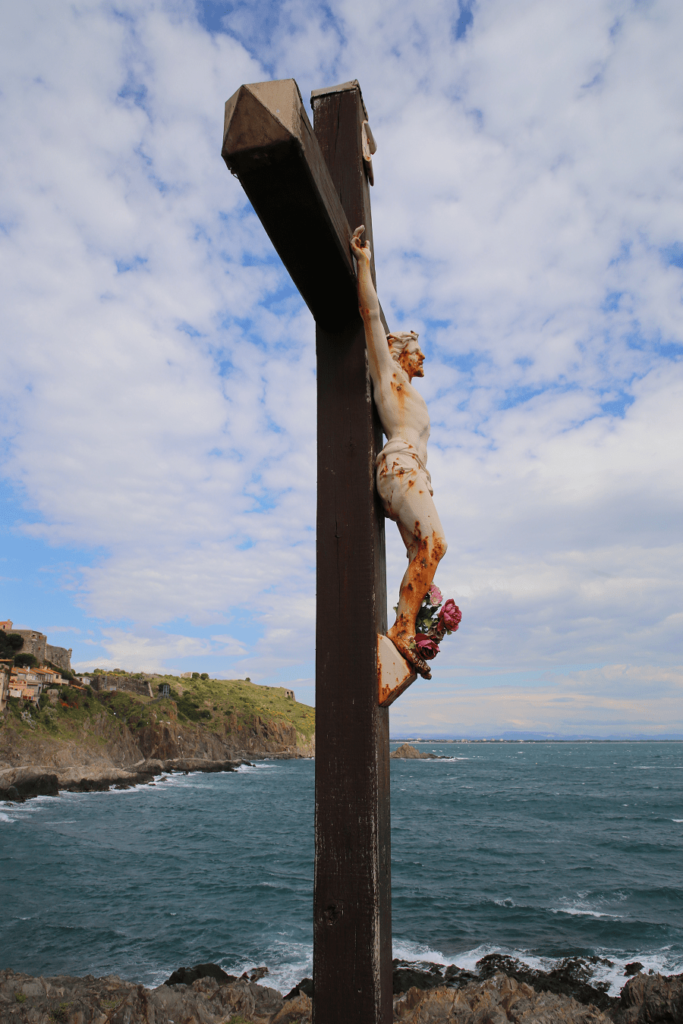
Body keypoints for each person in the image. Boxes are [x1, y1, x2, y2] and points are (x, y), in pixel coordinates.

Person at [350, 226, 447, 679]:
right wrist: (363, 264)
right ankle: (402, 631)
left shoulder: (409, 388)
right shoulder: (388, 375)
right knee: (435, 544)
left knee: (424, 555)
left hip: (415, 474)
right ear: (401, 352)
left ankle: (408, 633)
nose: (423, 358)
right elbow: (370, 315)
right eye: (418, 351)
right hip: (400, 466)